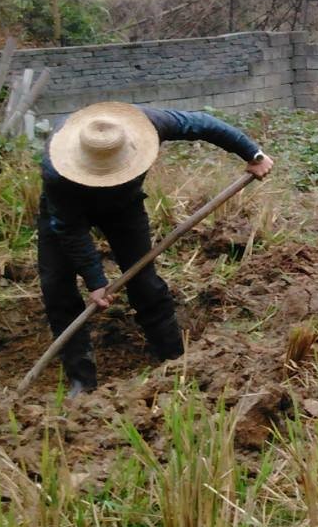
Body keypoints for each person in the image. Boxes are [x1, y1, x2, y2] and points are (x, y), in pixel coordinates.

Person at [38, 102, 274, 395]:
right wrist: (96, 282)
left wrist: (253, 153)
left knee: (144, 282)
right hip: (68, 210)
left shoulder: (146, 123)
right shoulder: (57, 167)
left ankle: (173, 358)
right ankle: (81, 379)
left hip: (123, 206)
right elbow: (69, 230)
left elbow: (203, 123)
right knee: (56, 286)